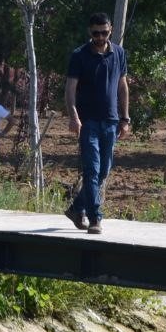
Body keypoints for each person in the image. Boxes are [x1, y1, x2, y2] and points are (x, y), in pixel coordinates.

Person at [64, 13, 130, 235]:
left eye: (104, 32)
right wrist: (73, 115)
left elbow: (122, 87)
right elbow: (70, 89)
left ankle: (76, 208)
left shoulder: (119, 53)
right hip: (88, 122)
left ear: (110, 29)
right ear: (89, 32)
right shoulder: (79, 55)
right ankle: (95, 218)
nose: (100, 37)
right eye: (96, 33)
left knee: (103, 171)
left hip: (111, 121)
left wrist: (125, 118)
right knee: (92, 170)